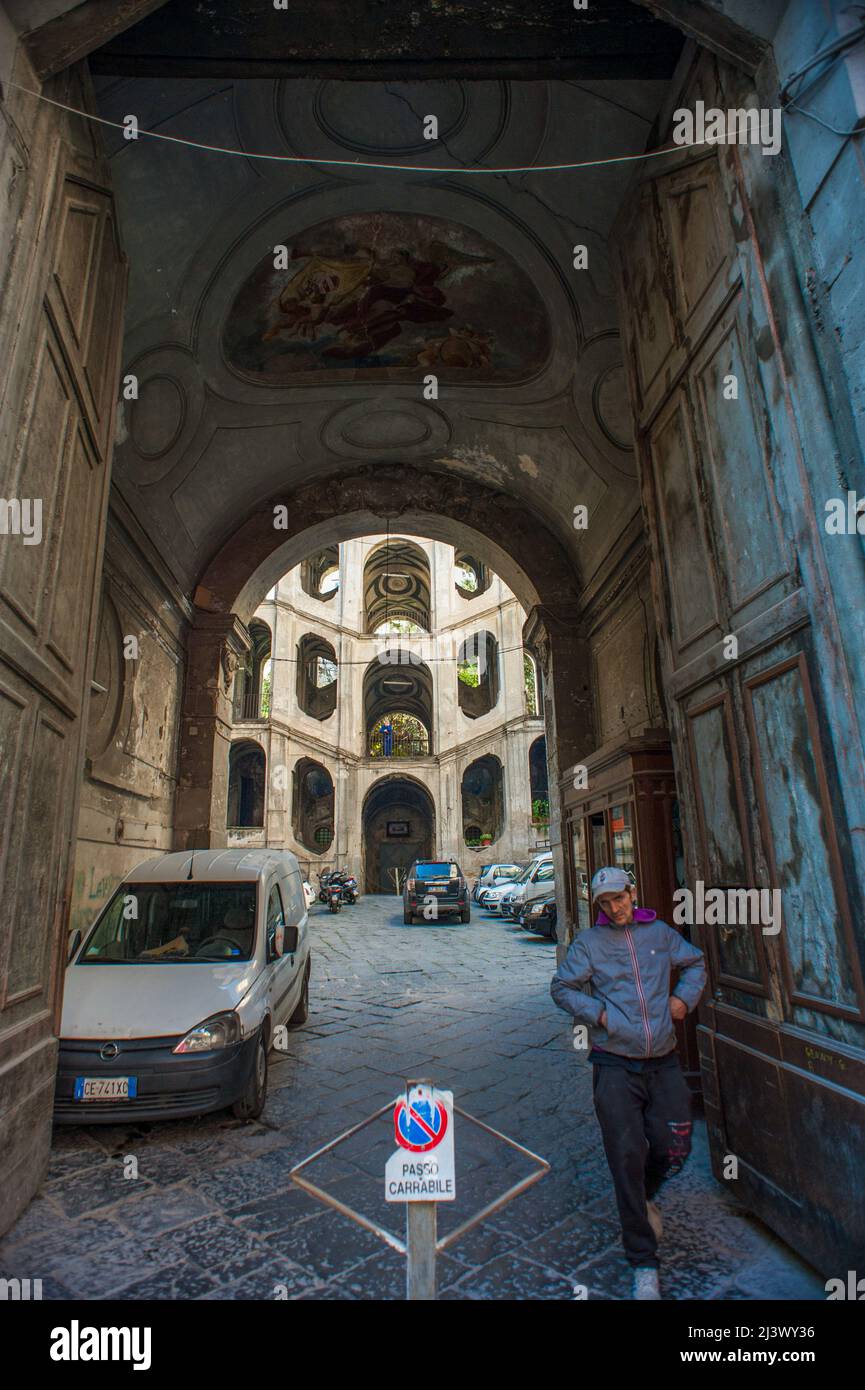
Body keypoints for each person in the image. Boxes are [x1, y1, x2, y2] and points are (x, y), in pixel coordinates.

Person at [550, 866, 706, 1300]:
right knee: (626, 1155)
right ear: (597, 905)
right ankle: (643, 1261)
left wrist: (682, 999)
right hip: (614, 1063)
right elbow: (562, 987)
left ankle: (642, 1197)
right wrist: (599, 1016)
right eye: (605, 902)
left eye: (619, 897)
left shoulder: (659, 934)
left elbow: (695, 963)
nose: (614, 907)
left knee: (676, 1144)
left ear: (632, 893)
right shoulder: (589, 944)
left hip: (663, 1061)